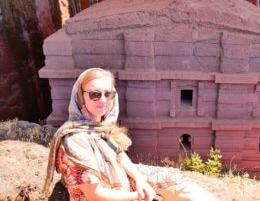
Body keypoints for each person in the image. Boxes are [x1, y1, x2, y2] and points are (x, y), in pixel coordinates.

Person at [44, 68, 218, 201]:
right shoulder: (75, 141)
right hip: (107, 197)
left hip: (121, 181)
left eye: (108, 94)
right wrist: (138, 195)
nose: (103, 100)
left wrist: (140, 179)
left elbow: (118, 154)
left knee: (179, 183)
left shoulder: (99, 126)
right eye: (95, 94)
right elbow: (95, 195)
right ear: (81, 97)